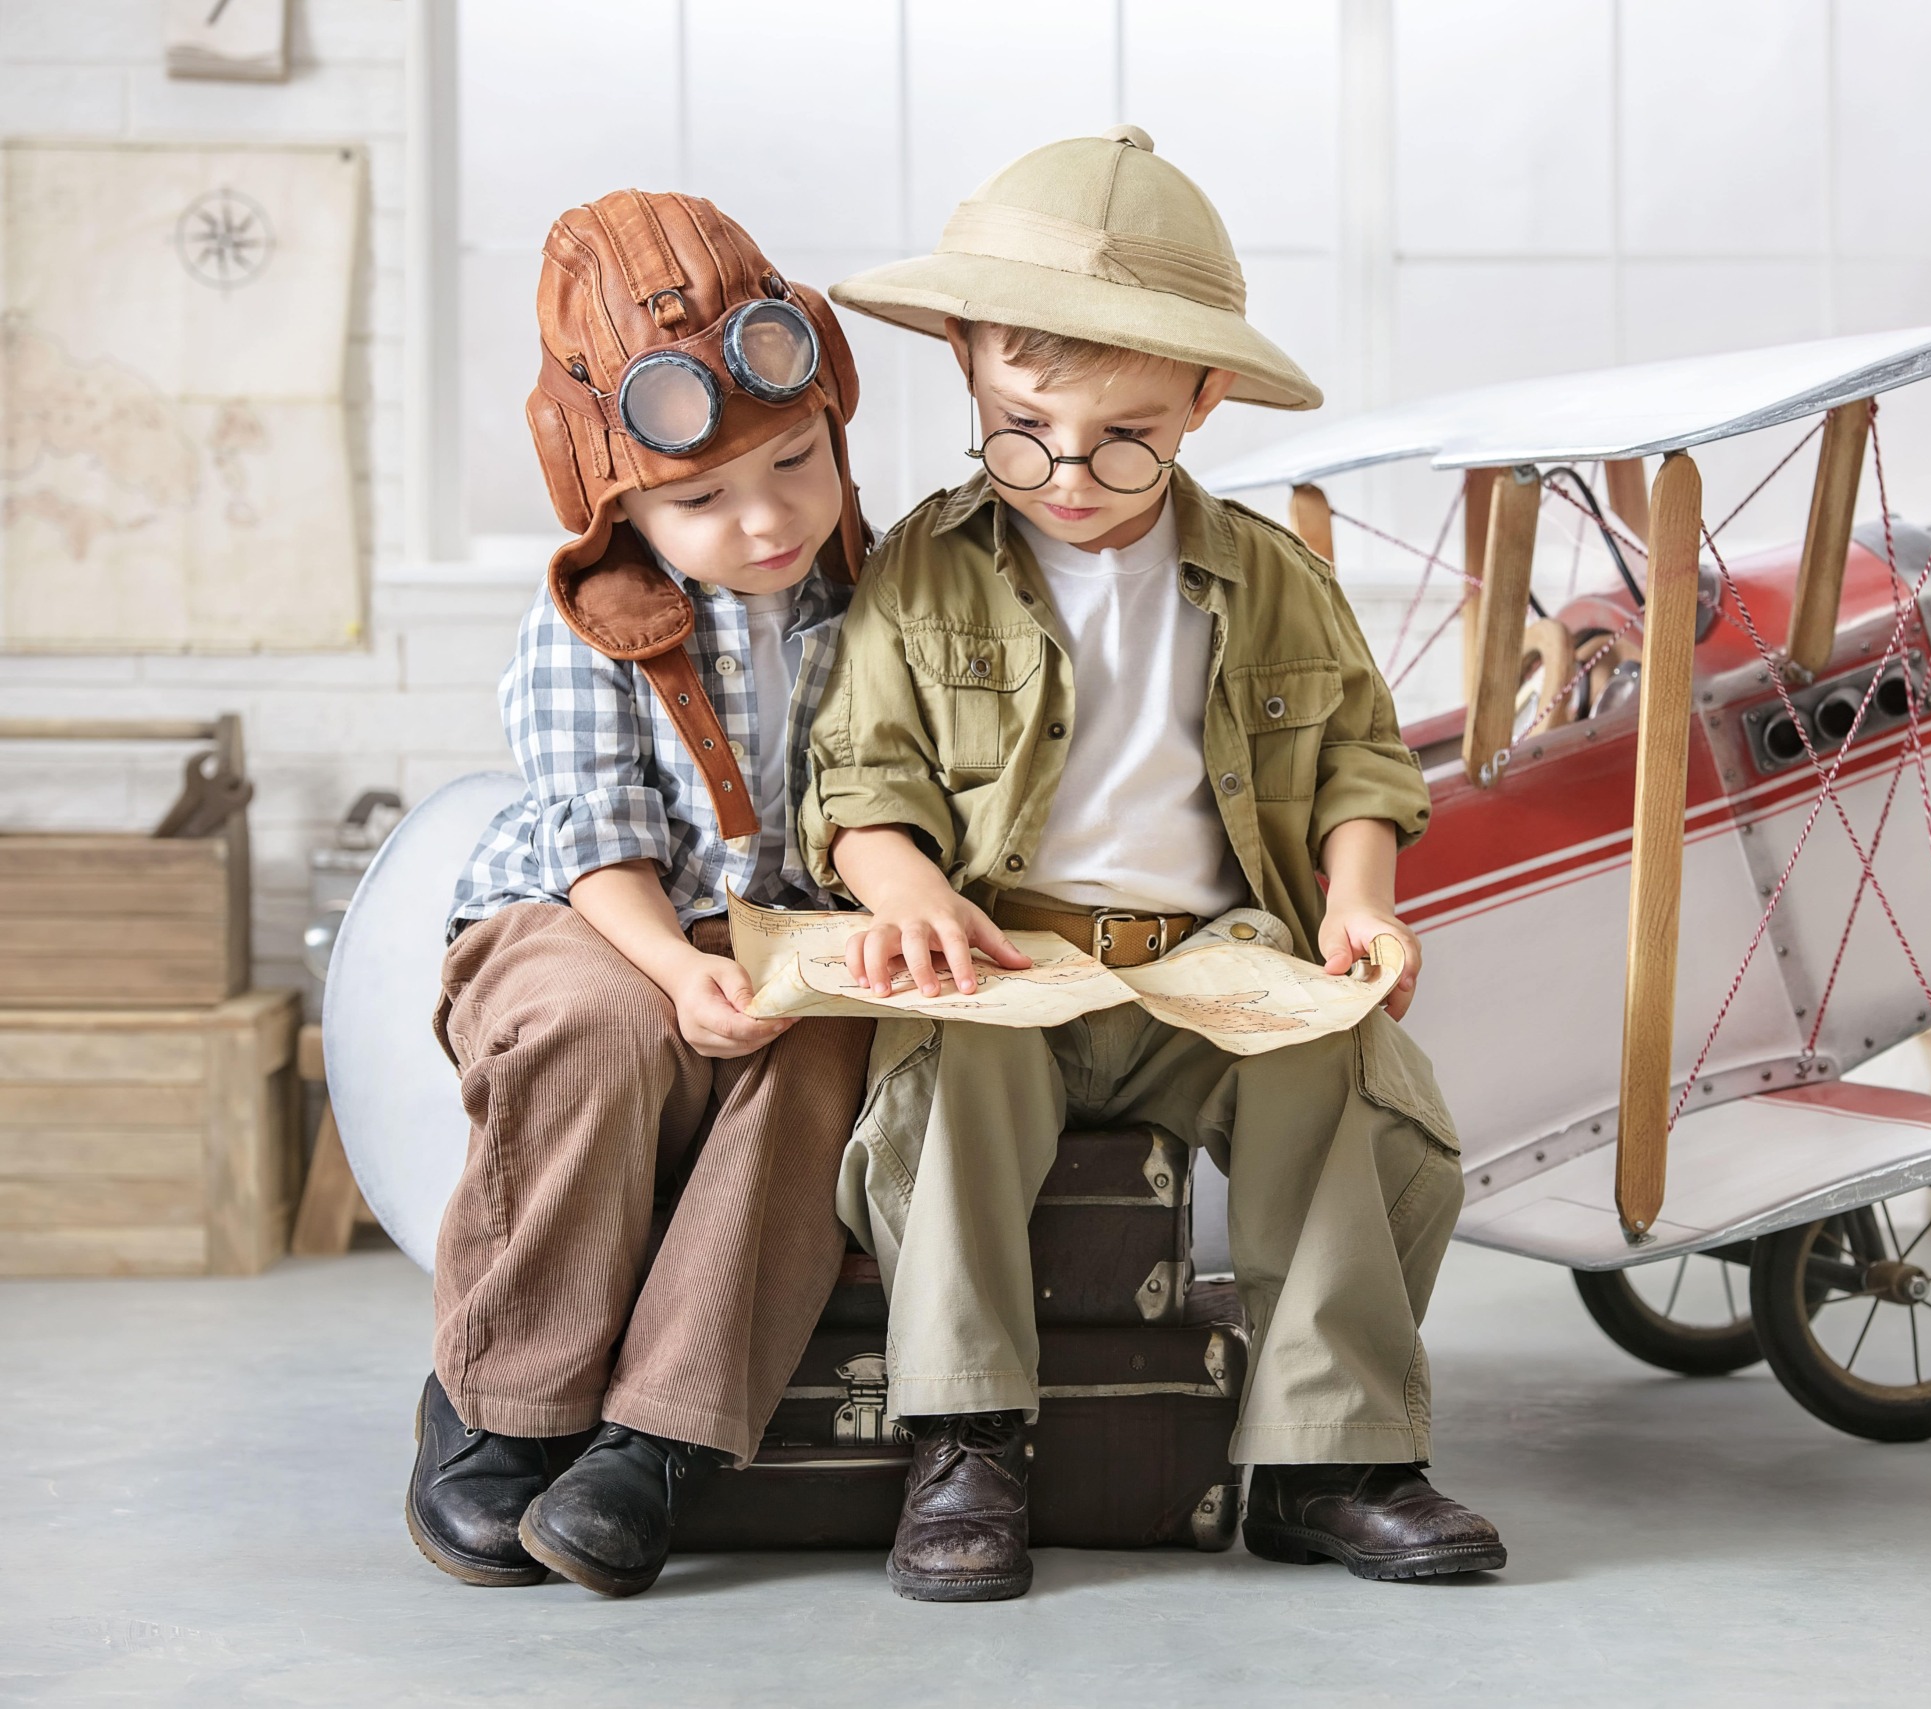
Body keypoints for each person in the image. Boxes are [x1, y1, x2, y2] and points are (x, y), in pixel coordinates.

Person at [807, 127, 1503, 1603]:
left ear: (1205, 397)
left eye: (1125, 434)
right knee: (960, 1067)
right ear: (971, 372)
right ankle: (967, 1438)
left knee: (1344, 1080)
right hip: (1014, 949)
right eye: (1021, 426)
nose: (1067, 474)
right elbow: (861, 778)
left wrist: (1361, 896)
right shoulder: (921, 572)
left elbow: (1360, 765)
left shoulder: (1272, 579)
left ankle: (1329, 1456)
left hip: (1213, 958)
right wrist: (907, 887)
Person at [410, 190, 874, 1599]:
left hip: (784, 921)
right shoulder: (587, 624)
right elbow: (597, 844)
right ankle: (499, 1395)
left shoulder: (876, 590)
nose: (767, 517)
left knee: (828, 1045)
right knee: (592, 1034)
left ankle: (655, 1439)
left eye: (798, 462)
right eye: (702, 499)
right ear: (618, 500)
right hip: (588, 909)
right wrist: (675, 973)